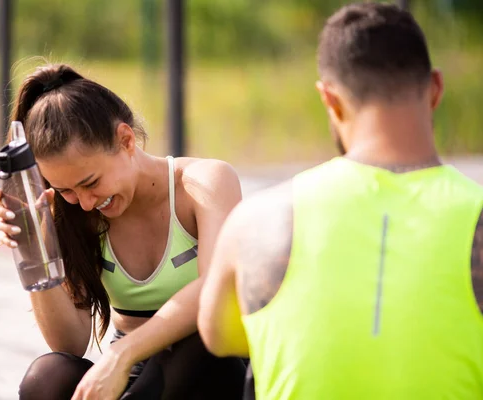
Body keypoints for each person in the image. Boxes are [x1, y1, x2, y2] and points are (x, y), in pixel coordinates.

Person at [198, 2, 483, 400]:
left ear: (329, 99)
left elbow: (219, 338)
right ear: (435, 89)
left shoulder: (255, 221)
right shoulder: (476, 212)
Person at [0, 63, 248, 400]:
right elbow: (69, 344)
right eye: (66, 190)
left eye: (91, 183)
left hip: (206, 372)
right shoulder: (72, 212)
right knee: (48, 377)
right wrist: (37, 251)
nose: (85, 203)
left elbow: (215, 291)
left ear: (126, 140)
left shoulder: (204, 183)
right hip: (133, 379)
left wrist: (122, 353)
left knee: (199, 348)